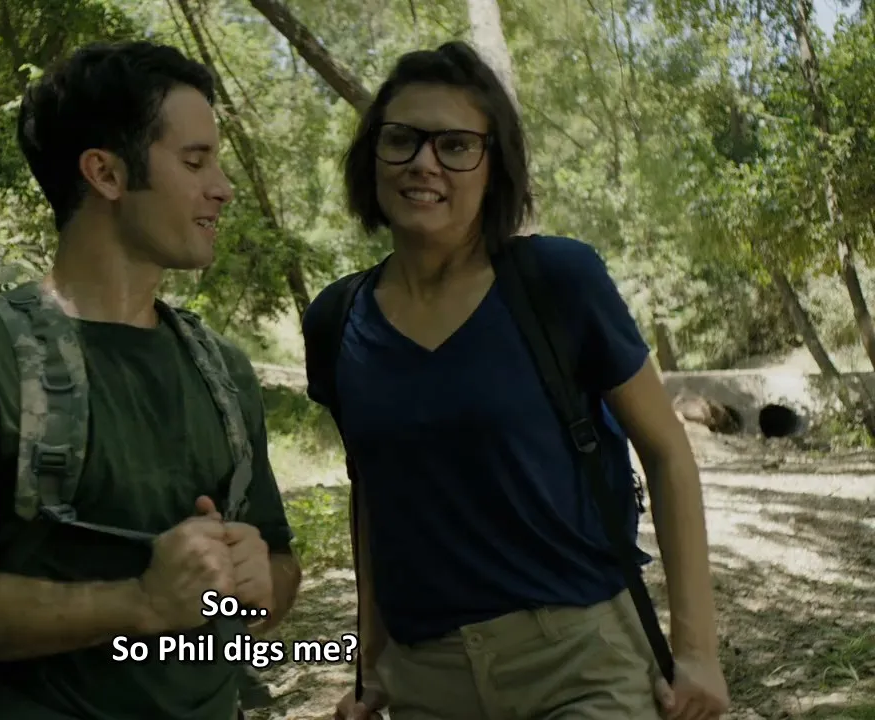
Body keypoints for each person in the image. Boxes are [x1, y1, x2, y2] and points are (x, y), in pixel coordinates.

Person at [0, 40, 301, 720]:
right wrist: (140, 603)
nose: (223, 187)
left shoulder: (224, 373)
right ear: (106, 174)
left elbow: (280, 569)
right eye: (195, 161)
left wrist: (258, 579)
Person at [304, 42, 731, 720]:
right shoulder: (337, 319)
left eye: (455, 145)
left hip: (581, 664)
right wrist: (370, 662)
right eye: (402, 138)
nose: (424, 162)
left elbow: (667, 452)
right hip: (426, 681)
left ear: (494, 166)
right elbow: (375, 497)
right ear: (372, 155)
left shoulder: (558, 281)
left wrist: (697, 652)